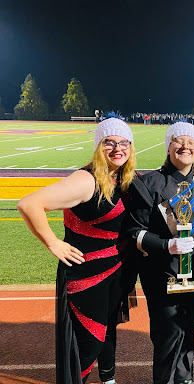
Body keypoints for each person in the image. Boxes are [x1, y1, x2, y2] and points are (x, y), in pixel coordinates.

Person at [17, 115, 136, 384]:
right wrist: (52, 243)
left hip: (114, 272)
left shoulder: (120, 178)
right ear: (98, 146)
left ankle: (108, 379)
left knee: (106, 333)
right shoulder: (86, 180)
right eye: (109, 142)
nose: (118, 148)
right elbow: (29, 204)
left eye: (124, 142)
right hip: (87, 276)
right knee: (88, 343)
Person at [124, 122, 194, 384]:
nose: (185, 146)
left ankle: (185, 380)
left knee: (189, 330)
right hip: (159, 274)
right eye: (179, 141)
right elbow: (134, 232)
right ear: (168, 146)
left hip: (192, 276)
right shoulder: (149, 183)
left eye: (191, 142)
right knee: (167, 335)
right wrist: (167, 246)